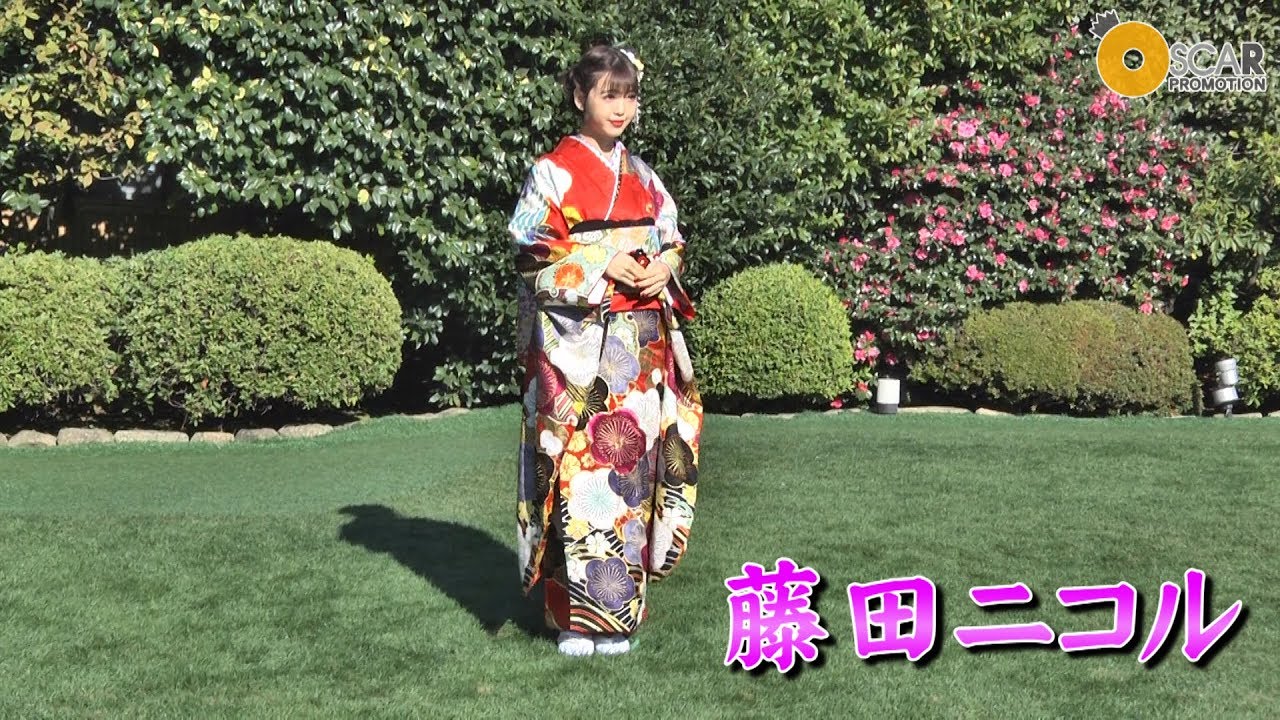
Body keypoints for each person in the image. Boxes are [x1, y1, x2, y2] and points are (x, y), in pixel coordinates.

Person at [509, 44, 703, 657]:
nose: (621, 107)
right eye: (608, 94)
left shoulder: (642, 174)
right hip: (579, 346)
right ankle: (574, 619)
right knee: (576, 474)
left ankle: (619, 616)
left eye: (630, 96)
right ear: (580, 97)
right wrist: (600, 261)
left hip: (639, 345)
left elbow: (671, 236)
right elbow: (531, 246)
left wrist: (663, 266)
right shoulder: (553, 171)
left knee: (630, 477)